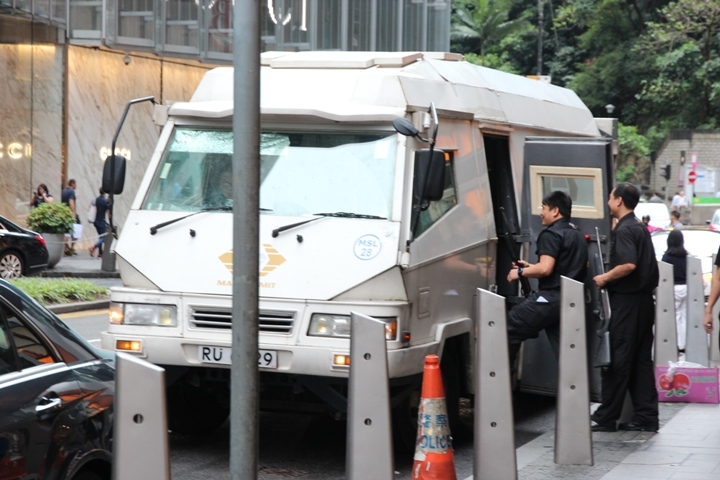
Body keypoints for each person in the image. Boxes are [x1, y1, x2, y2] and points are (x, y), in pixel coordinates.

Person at [592, 182, 659, 432]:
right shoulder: (639, 227)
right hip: (643, 303)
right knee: (640, 361)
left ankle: (606, 417)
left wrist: (604, 277)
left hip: (628, 304)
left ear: (619, 200)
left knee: (618, 359)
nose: (608, 201)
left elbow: (629, 264)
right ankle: (646, 415)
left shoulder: (625, 231)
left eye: (610, 197)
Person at [505, 191, 588, 369]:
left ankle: (501, 380)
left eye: (543, 208)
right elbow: (560, 267)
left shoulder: (550, 234)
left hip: (551, 299)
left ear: (555, 210)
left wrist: (518, 272)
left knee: (509, 326)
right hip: (570, 302)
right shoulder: (577, 234)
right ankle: (575, 394)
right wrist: (529, 267)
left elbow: (545, 268)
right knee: (566, 353)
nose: (541, 213)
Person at [661, 230, 688, 354]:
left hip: (673, 288)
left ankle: (676, 344)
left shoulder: (667, 257)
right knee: (684, 316)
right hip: (686, 288)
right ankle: (684, 343)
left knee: (675, 316)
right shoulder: (686, 256)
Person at [89, 188, 109, 258]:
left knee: (100, 236)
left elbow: (89, 207)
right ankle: (94, 247)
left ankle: (100, 253)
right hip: (101, 222)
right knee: (103, 237)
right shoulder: (105, 201)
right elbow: (108, 212)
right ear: (105, 193)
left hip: (96, 222)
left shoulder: (96, 199)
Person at [61, 179, 78, 256]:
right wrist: (73, 213)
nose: (76, 185)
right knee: (75, 231)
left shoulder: (64, 191)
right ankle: (70, 248)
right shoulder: (71, 191)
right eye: (75, 184)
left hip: (64, 213)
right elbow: (71, 202)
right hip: (69, 214)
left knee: (66, 231)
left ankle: (66, 248)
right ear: (72, 184)